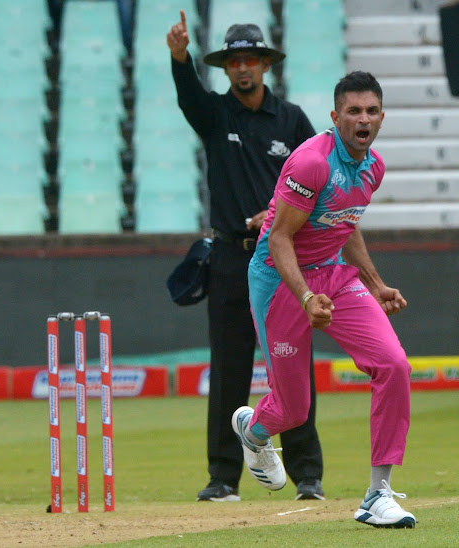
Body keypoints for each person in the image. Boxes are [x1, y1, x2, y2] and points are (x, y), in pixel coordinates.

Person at [233, 71, 417, 528]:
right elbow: (278, 239)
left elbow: (344, 221)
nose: (363, 119)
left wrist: (374, 283)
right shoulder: (311, 163)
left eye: (371, 111)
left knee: (393, 365)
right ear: (335, 117)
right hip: (280, 282)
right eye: (353, 111)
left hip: (334, 276)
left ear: (381, 118)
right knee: (293, 411)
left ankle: (378, 494)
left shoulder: (373, 168)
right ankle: (254, 432)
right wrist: (305, 296)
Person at [166, 12, 325, 502]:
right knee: (229, 369)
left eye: (250, 59)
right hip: (232, 259)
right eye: (234, 61)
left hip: (283, 260)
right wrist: (179, 60)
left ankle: (307, 477)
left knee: (292, 368)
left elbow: (319, 183)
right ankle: (222, 478)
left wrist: (276, 213)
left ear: (264, 64)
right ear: (226, 68)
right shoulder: (217, 114)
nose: (242, 69)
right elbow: (190, 100)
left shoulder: (293, 119)